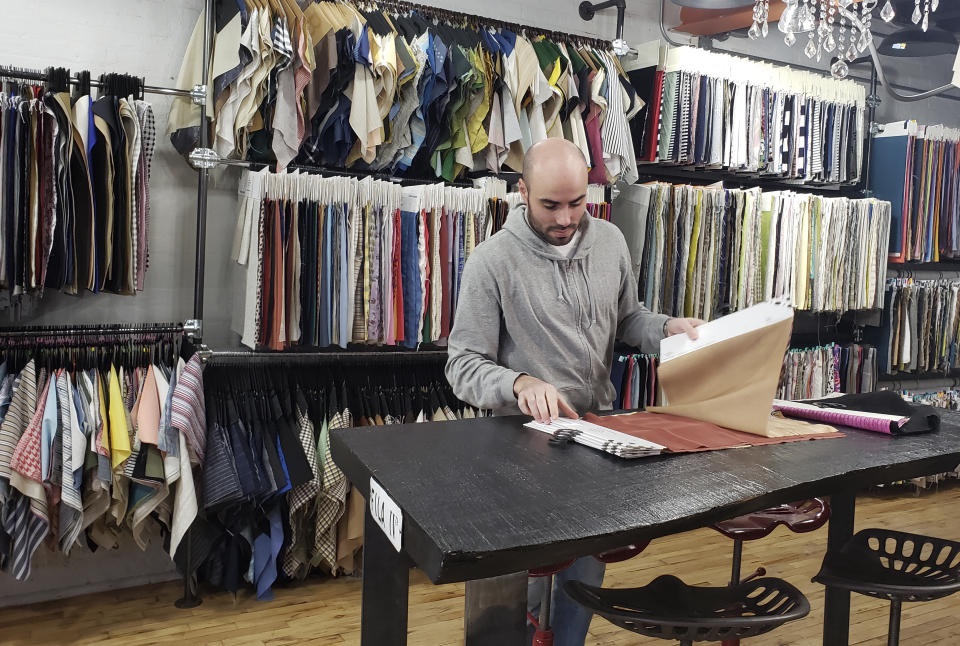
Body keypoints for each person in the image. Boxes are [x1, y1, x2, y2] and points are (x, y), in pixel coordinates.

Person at [445, 137, 704, 646]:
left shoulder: (610, 242)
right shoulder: (491, 262)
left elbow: (629, 318)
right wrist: (518, 382)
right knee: (513, 593)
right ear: (521, 191)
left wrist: (668, 327)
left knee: (583, 578)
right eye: (550, 205)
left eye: (577, 202)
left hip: (597, 440)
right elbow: (462, 366)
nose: (566, 217)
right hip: (519, 451)